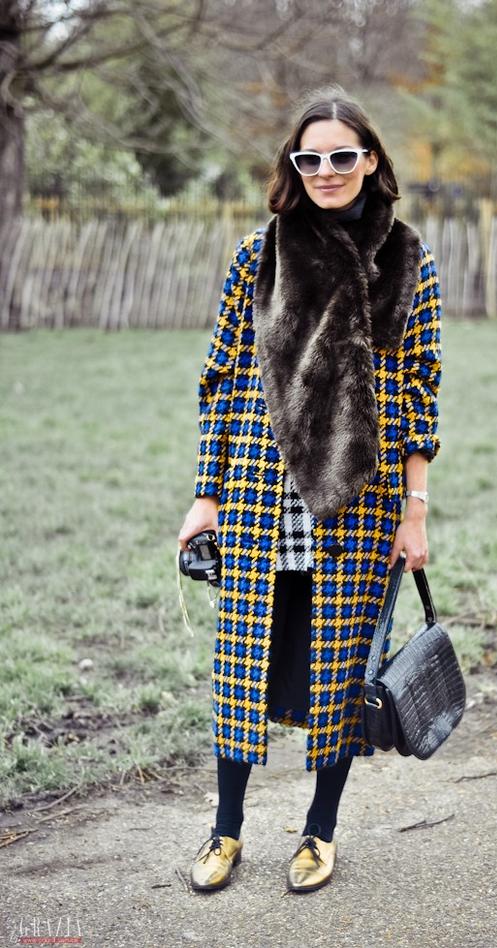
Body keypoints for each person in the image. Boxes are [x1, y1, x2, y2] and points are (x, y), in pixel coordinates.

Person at [177, 86, 442, 894]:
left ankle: (319, 832)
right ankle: (225, 830)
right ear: (293, 166)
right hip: (260, 490)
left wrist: (415, 508)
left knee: (339, 667)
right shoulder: (258, 255)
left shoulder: (410, 260)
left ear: (370, 160)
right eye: (310, 158)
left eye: (341, 155)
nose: (326, 171)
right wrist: (206, 493)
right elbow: (221, 377)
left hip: (362, 499)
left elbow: (421, 389)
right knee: (241, 664)